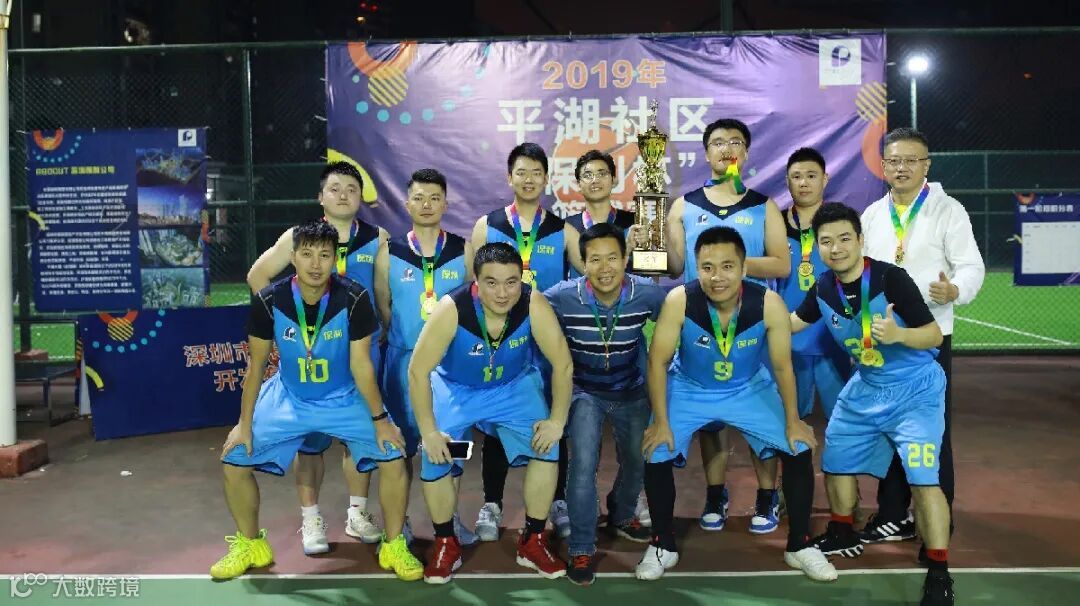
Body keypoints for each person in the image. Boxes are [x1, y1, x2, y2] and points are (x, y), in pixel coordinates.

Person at [215, 220, 421, 581]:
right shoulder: (269, 300)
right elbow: (257, 366)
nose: (315, 264)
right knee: (234, 460)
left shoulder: (353, 297)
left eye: (324, 255)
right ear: (293, 257)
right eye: (307, 254)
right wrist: (244, 425)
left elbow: (361, 366)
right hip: (289, 398)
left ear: (334, 259)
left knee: (393, 456)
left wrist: (380, 421)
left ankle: (393, 546)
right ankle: (250, 545)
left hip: (343, 398)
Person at [638, 226, 835, 583]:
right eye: (707, 267)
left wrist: (793, 419)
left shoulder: (768, 304)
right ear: (696, 268)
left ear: (744, 268)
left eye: (727, 266)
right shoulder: (680, 300)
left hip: (748, 387)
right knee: (656, 450)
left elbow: (782, 366)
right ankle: (662, 544)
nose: (717, 277)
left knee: (798, 446)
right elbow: (658, 361)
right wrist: (661, 422)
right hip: (691, 388)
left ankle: (800, 545)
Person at [792, 202, 955, 605]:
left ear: (860, 240)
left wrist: (900, 336)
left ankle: (939, 570)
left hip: (915, 388)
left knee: (923, 478)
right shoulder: (823, 287)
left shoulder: (890, 278)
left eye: (844, 238)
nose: (836, 248)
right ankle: (842, 530)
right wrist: (741, 313)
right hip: (867, 385)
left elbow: (934, 336)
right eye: (826, 241)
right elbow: (793, 322)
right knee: (835, 460)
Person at [408, 243, 573, 584]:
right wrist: (429, 431)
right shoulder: (452, 309)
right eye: (492, 282)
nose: (502, 293)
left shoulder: (533, 303)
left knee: (547, 446)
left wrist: (557, 421)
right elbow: (418, 371)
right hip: (456, 390)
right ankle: (445, 542)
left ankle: (533, 540)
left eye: (511, 282)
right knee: (437, 455)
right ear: (476, 280)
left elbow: (562, 363)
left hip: (512, 388)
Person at [246, 162, 389, 552]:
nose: (343, 195)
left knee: (359, 438)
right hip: (311, 352)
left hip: (357, 352)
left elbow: (382, 292)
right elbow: (258, 276)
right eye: (335, 188)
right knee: (310, 442)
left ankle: (358, 513)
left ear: (361, 198)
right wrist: (283, 325)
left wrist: (383, 326)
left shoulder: (377, 238)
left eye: (351, 189)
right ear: (320, 197)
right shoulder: (300, 237)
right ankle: (311, 520)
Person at [858, 128, 984, 556]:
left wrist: (956, 290)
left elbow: (972, 266)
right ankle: (892, 515)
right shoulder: (873, 214)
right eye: (894, 161)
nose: (902, 168)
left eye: (911, 160)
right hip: (884, 340)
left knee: (933, 433)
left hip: (930, 339)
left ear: (926, 165)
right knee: (889, 430)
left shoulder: (948, 211)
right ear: (883, 166)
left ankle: (938, 519)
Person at [662, 119, 791, 535]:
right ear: (706, 153)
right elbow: (676, 268)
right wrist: (648, 244)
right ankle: (716, 494)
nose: (727, 148)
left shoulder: (764, 206)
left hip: (752, 326)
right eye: (718, 142)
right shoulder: (683, 206)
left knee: (761, 420)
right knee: (710, 422)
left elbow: (782, 264)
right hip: (701, 326)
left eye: (736, 142)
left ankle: (767, 496)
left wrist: (730, 266)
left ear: (747, 153)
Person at [544, 223, 666, 586]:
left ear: (625, 259)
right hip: (584, 392)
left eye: (612, 258)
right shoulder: (562, 296)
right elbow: (529, 312)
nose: (604, 267)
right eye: (594, 260)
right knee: (583, 466)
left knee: (638, 459)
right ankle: (581, 546)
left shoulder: (648, 294)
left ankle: (622, 512)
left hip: (632, 390)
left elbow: (677, 322)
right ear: (582, 264)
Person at [470, 142, 571, 540]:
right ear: (509, 177)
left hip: (545, 345)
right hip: (502, 343)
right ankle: (492, 503)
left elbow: (591, 274)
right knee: (496, 423)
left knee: (555, 420)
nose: (529, 180)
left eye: (536, 173)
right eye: (521, 172)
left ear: (547, 179)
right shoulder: (487, 226)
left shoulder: (563, 230)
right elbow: (474, 289)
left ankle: (557, 500)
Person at [373, 168, 476, 544]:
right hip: (402, 364)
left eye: (435, 198)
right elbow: (384, 307)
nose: (427, 204)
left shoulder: (463, 250)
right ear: (407, 204)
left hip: (450, 368)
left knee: (452, 446)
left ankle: (449, 521)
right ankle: (398, 524)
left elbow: (472, 305)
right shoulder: (390, 252)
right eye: (419, 198)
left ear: (446, 204)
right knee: (399, 447)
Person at [778, 148, 852, 421]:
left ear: (825, 179)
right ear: (787, 181)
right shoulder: (774, 224)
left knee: (843, 419)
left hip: (833, 333)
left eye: (811, 175)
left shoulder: (840, 223)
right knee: (790, 419)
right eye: (796, 176)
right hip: (788, 333)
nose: (804, 183)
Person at [563, 149, 646, 278]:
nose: (595, 180)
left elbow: (651, 275)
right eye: (587, 175)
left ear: (613, 180)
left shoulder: (634, 223)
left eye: (602, 174)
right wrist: (627, 248)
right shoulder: (567, 228)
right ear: (578, 184)